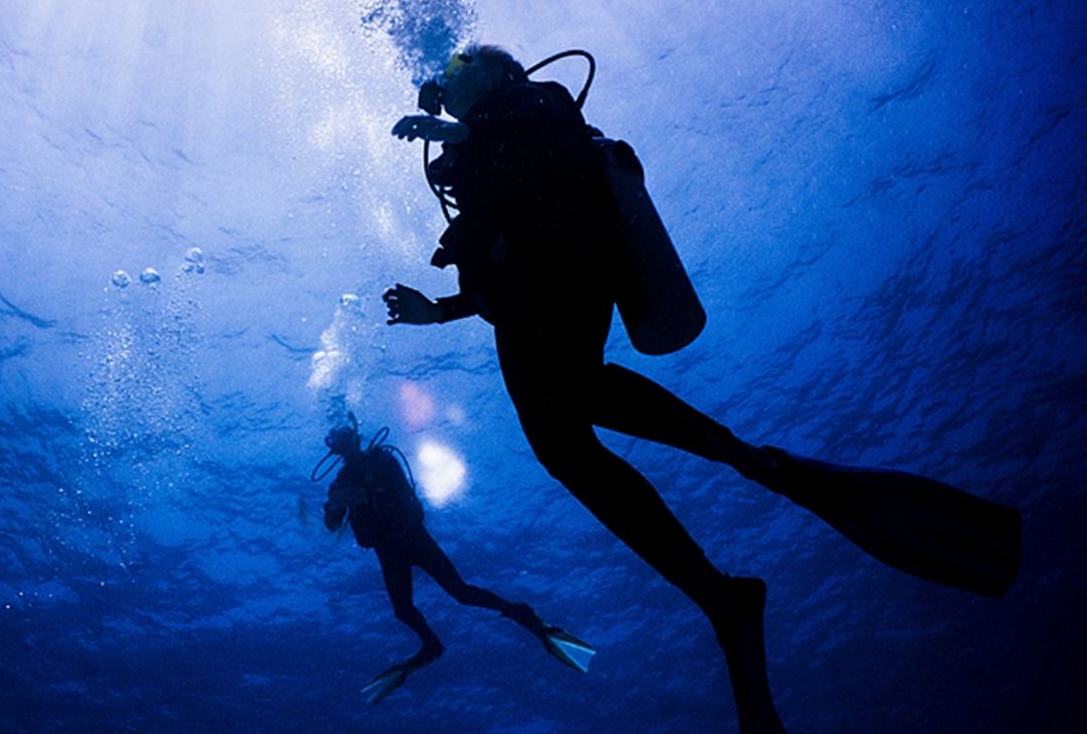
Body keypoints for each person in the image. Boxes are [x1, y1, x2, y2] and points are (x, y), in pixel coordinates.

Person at [384, 45, 1021, 733]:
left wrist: (471, 133)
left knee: (572, 399)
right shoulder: (476, 150)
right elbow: (489, 269)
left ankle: (742, 508)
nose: (443, 77)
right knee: (564, 439)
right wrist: (437, 310)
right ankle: (724, 577)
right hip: (529, 314)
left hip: (565, 283)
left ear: (494, 72)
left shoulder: (534, 101)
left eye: (457, 64)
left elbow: (553, 143)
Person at [316, 416, 595, 705]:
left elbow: (401, 494)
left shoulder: (383, 461)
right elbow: (333, 526)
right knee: (402, 610)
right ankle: (430, 645)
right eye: (336, 441)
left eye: (345, 437)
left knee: (460, 592)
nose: (343, 445)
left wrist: (361, 496)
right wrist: (332, 509)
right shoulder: (338, 484)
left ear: (356, 437)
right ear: (333, 449)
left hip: (413, 538)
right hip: (387, 550)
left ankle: (521, 613)